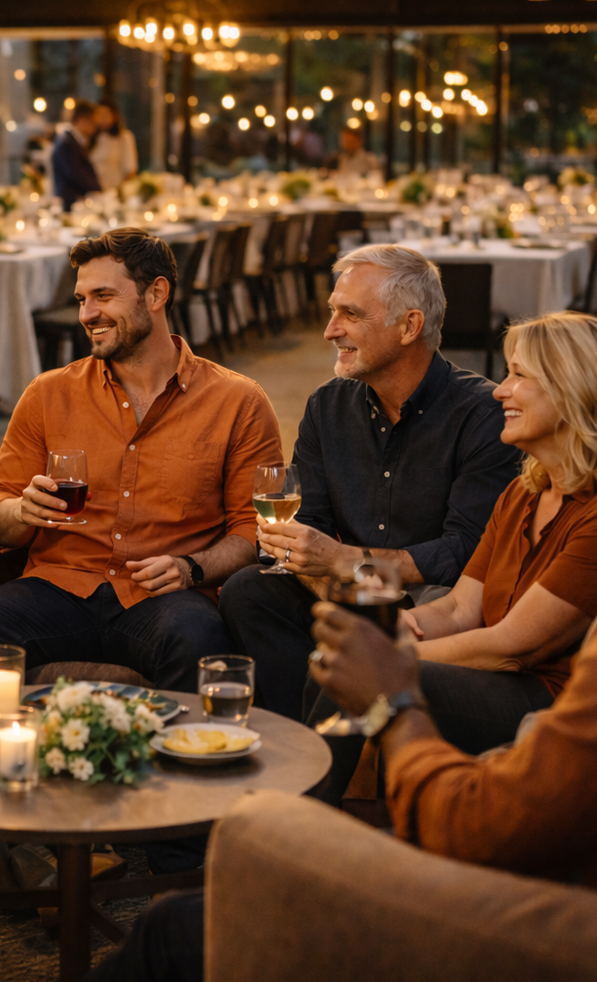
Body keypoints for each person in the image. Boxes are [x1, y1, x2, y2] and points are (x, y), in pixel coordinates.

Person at [66, 297, 597, 982]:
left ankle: (274, 839)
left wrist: (395, 699)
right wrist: (393, 637)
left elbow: (479, 827)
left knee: (182, 928)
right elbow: (466, 608)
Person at [309, 312, 597, 798]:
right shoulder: (525, 492)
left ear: (573, 389)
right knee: (343, 657)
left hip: (557, 705)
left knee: (362, 674)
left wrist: (391, 657)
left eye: (519, 376)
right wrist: (398, 628)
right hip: (504, 677)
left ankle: (308, 822)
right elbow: (462, 608)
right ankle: (323, 819)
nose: (500, 391)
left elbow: (512, 647)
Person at [0, 228, 283, 692]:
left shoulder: (238, 401)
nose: (87, 314)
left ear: (156, 293)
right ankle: (13, 759)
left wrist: (191, 567)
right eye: (81, 299)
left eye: (103, 296)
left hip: (163, 596)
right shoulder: (48, 394)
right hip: (60, 586)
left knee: (199, 637)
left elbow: (252, 529)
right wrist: (20, 511)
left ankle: (177, 761)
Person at [220, 244, 521, 720]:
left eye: (350, 315)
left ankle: (363, 742)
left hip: (433, 601)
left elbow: (463, 550)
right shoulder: (328, 407)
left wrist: (345, 562)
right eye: (332, 312)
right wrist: (342, 589)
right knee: (249, 590)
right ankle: (294, 736)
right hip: (346, 590)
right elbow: (307, 526)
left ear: (410, 326)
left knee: (446, 603)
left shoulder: (482, 414)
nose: (329, 330)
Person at [52, 100, 103, 209]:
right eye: (93, 122)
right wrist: (99, 190)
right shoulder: (67, 143)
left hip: (76, 204)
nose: (95, 128)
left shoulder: (74, 142)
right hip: (70, 205)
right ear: (82, 119)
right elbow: (76, 174)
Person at [89, 101, 139, 193]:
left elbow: (130, 170)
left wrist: (121, 193)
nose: (102, 119)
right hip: (93, 192)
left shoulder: (123, 137)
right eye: (99, 115)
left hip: (114, 191)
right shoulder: (92, 138)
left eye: (105, 115)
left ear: (114, 116)